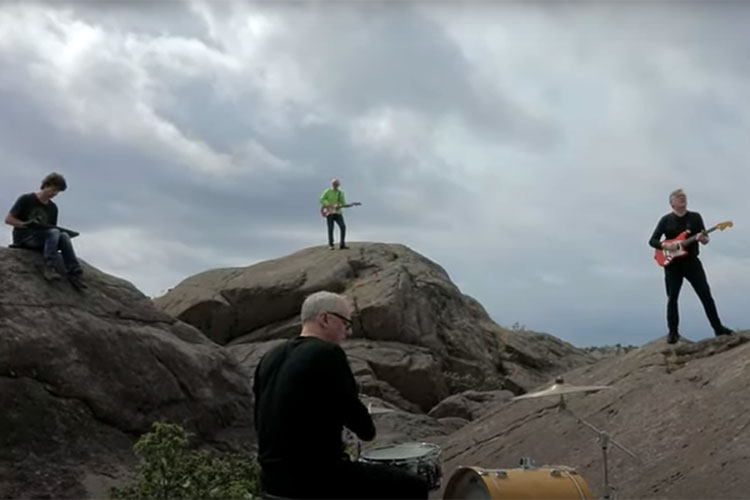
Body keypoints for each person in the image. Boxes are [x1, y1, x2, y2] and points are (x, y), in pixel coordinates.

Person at [253, 291, 428, 499]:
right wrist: (365, 424)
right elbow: (362, 426)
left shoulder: (269, 358)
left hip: (271, 481)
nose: (347, 331)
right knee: (414, 485)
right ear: (325, 319)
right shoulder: (327, 354)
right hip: (317, 480)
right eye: (345, 323)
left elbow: (262, 420)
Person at [649, 189, 732, 344]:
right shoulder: (665, 220)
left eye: (684, 197)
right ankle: (673, 333)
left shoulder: (695, 217)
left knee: (705, 295)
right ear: (672, 203)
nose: (683, 199)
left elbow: (705, 239)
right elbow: (652, 241)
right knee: (672, 298)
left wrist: (702, 239)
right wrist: (666, 246)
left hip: (691, 262)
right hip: (673, 265)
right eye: (679, 198)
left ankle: (718, 328)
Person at [4, 172, 85, 287]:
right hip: (25, 238)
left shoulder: (53, 208)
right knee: (54, 232)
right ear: (46, 185)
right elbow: (8, 220)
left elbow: (52, 230)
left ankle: (75, 272)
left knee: (64, 236)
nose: (54, 193)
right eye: (53, 189)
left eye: (57, 192)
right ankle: (49, 267)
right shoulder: (26, 199)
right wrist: (25, 224)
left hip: (43, 239)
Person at [320, 178, 349, 250]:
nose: (335, 185)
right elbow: (322, 199)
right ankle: (331, 244)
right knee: (330, 228)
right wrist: (328, 204)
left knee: (343, 226)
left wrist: (345, 205)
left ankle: (342, 244)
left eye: (337, 184)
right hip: (330, 212)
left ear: (339, 185)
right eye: (334, 184)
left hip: (338, 212)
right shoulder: (327, 191)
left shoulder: (340, 193)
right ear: (332, 184)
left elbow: (343, 202)